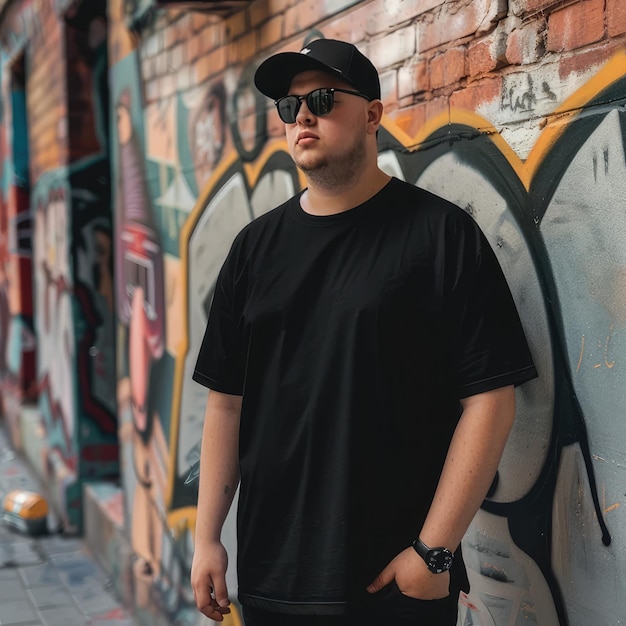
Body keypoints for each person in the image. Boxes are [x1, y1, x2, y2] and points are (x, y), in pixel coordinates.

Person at [190, 38, 537, 626]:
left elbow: (491, 400)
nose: (302, 115)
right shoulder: (253, 249)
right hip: (274, 580)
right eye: (288, 105)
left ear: (373, 114)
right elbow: (226, 404)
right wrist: (207, 540)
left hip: (393, 587)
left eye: (322, 99)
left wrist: (434, 552)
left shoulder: (441, 237)